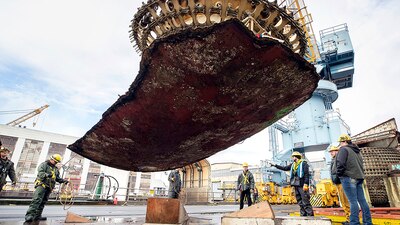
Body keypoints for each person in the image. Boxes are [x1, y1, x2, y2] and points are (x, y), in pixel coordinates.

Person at [336, 134, 372, 225]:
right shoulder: (357, 151)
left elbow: (340, 164)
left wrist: (339, 175)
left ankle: (354, 222)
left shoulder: (343, 149)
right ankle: (367, 222)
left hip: (349, 178)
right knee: (362, 200)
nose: (339, 144)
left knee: (352, 201)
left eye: (340, 142)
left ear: (344, 142)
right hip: (359, 177)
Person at [25, 154, 68, 222]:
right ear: (51, 159)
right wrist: (47, 175)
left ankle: (37, 216)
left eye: (57, 162)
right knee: (36, 200)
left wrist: (64, 181)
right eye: (55, 161)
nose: (56, 163)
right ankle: (29, 215)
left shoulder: (55, 169)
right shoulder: (44, 165)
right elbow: (40, 173)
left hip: (49, 187)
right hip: (41, 185)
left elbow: (57, 178)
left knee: (43, 201)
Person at [271, 151, 314, 216]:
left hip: (302, 185)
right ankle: (303, 215)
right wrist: (275, 165)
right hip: (296, 185)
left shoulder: (304, 164)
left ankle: (310, 216)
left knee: (305, 201)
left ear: (297, 157)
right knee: (299, 201)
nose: (292, 158)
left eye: (293, 157)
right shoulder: (293, 165)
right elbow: (284, 168)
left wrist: (306, 184)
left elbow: (306, 175)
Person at [329, 145, 350, 225]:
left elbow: (340, 170)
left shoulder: (339, 159)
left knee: (346, 201)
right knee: (343, 202)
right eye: (330, 152)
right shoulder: (334, 160)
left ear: (337, 151)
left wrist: (339, 178)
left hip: (342, 182)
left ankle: (350, 219)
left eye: (332, 151)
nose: (331, 153)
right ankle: (348, 218)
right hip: (338, 182)